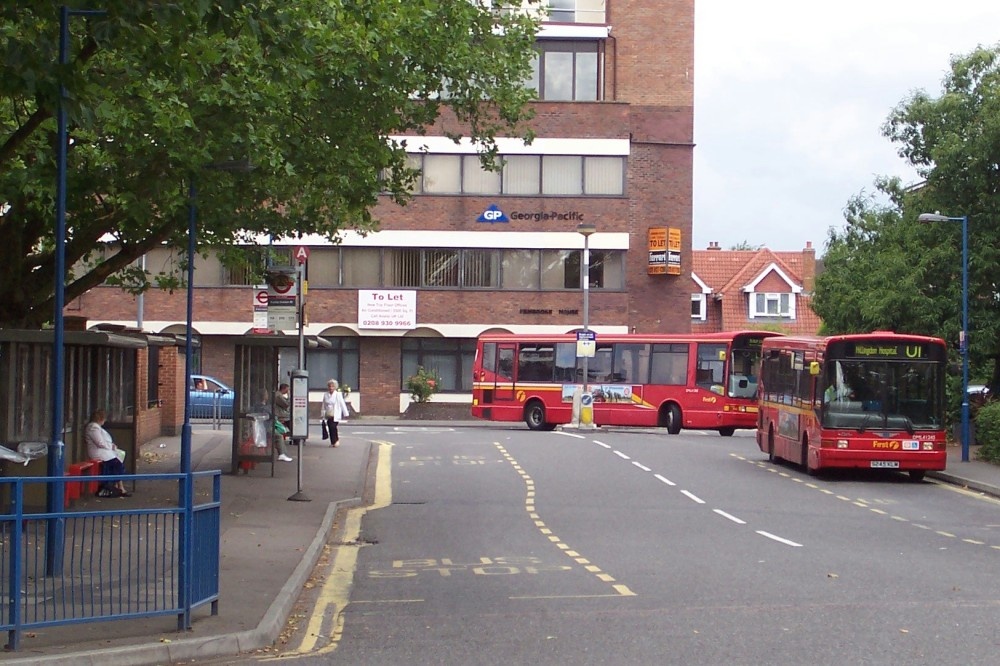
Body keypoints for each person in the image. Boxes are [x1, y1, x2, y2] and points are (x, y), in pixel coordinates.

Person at [84, 408, 131, 498]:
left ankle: (119, 487)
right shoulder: (93, 427)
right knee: (117, 464)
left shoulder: (96, 427)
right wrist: (111, 447)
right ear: (100, 419)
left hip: (104, 452)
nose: (105, 421)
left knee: (118, 462)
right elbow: (100, 442)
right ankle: (117, 487)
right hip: (99, 453)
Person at [258, 389, 293, 462]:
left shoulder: (259, 405)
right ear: (264, 397)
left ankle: (283, 453)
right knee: (279, 436)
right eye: (266, 394)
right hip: (265, 427)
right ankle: (282, 454)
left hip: (263, 426)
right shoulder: (265, 406)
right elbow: (286, 404)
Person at [322, 379, 350, 447]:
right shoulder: (325, 394)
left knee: (333, 427)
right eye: (329, 386)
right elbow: (324, 405)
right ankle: (333, 442)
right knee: (330, 427)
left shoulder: (338, 394)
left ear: (335, 387)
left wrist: (346, 413)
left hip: (335, 413)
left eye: (332, 386)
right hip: (328, 413)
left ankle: (336, 440)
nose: (331, 388)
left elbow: (342, 404)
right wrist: (322, 414)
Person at [274, 383, 295, 447]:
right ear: (284, 388)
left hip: (281, 413)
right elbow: (286, 404)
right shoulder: (278, 396)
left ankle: (293, 436)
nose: (287, 391)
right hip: (280, 415)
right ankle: (294, 436)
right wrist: (289, 396)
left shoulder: (279, 395)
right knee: (290, 422)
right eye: (287, 389)